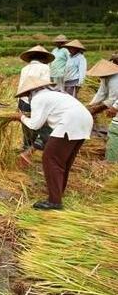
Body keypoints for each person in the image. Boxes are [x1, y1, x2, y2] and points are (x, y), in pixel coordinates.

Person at [12, 77, 93, 210]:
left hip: (70, 122)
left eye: (26, 94)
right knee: (63, 161)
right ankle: (58, 192)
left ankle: (54, 201)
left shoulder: (38, 98)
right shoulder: (54, 94)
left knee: (50, 159)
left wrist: (20, 117)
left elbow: (34, 125)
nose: (27, 97)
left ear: (30, 92)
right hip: (84, 120)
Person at [16, 45, 54, 163]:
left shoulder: (24, 69)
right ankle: (34, 148)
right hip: (37, 101)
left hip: (23, 100)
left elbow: (21, 87)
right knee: (41, 125)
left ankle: (26, 146)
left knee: (26, 124)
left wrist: (18, 103)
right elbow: (45, 86)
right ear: (43, 58)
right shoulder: (45, 68)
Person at [87, 59, 118, 162]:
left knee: (114, 129)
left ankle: (112, 161)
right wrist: (90, 105)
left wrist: (96, 109)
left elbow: (113, 99)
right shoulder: (105, 78)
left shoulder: (115, 79)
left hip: (116, 105)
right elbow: (101, 93)